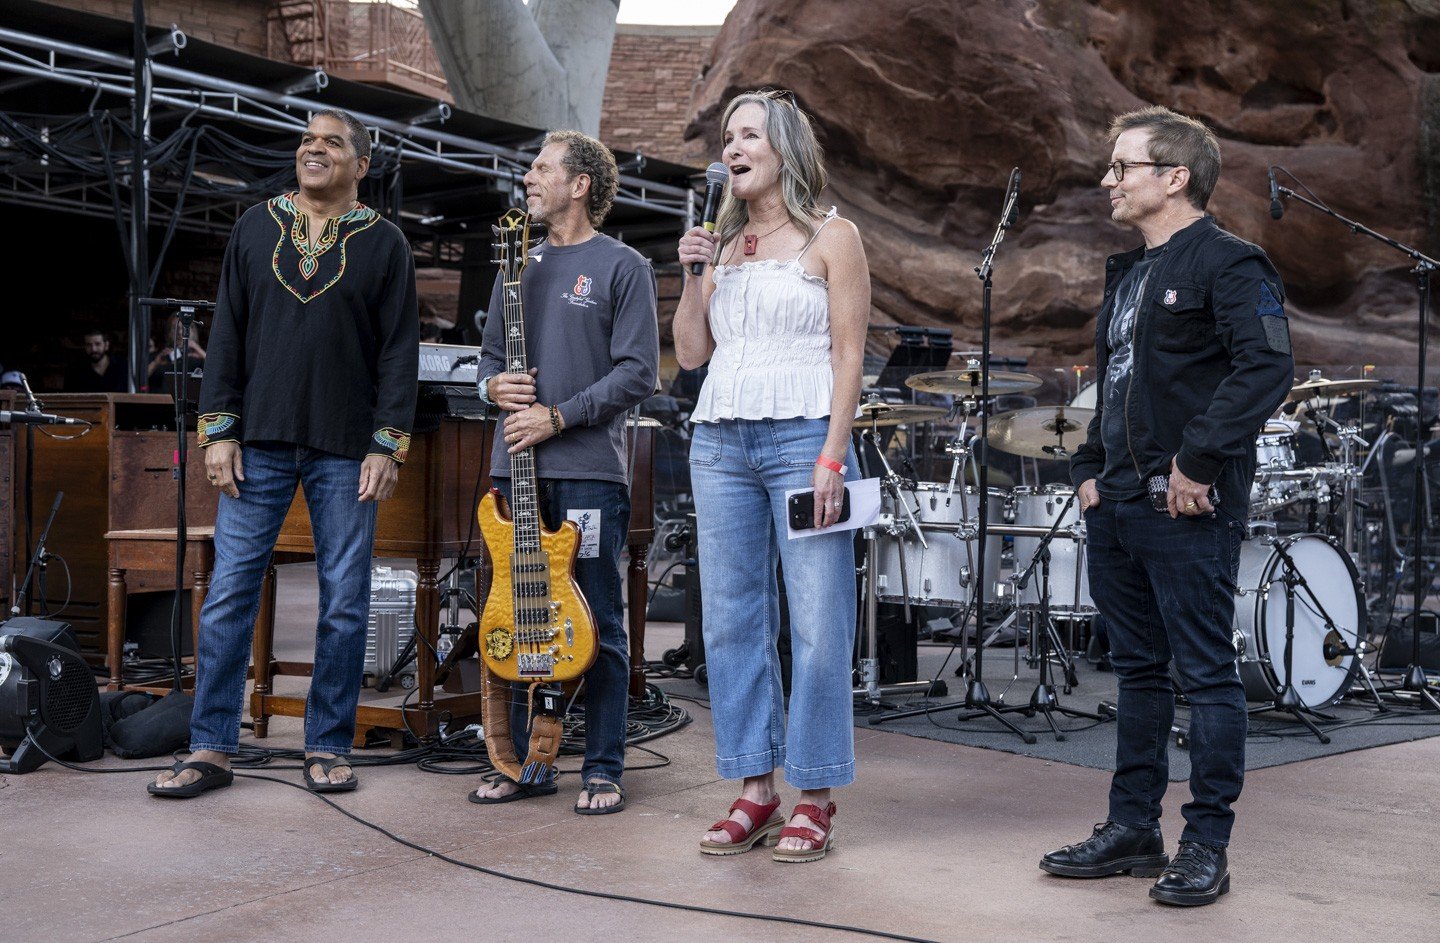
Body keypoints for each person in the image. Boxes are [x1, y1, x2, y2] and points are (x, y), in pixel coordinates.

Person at [1039, 105, 1293, 905]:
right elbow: (1114, 382)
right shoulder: (1129, 273)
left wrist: (1197, 461)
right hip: (1116, 504)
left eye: (1123, 167)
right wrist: (1088, 467)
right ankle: (1133, 828)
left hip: (1186, 506)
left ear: (1175, 176)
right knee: (1138, 672)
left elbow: (1266, 369)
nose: (1108, 180)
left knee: (1208, 674)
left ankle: (1205, 843)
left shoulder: (1230, 262)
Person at [149, 108, 418, 798]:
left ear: (362, 165)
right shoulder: (254, 226)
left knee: (345, 601)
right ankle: (211, 745)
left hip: (346, 448)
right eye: (306, 140)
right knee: (229, 594)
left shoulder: (385, 243)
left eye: (331, 142)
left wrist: (387, 444)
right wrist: (217, 431)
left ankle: (327, 744)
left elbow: (399, 352)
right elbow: (228, 335)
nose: (313, 149)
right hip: (257, 444)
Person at [673, 89, 869, 863]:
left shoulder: (832, 236)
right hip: (720, 439)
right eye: (728, 137)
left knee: (818, 620)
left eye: (750, 134)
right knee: (730, 619)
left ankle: (814, 794)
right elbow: (692, 353)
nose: (733, 148)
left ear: (784, 149)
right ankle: (756, 789)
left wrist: (832, 455)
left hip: (803, 438)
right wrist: (692, 274)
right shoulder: (719, 246)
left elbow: (849, 355)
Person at [469, 130, 659, 814]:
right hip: (514, 469)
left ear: (580, 185)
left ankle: (603, 766)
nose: (529, 178)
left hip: (588, 474)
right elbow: (489, 360)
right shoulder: (515, 264)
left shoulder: (623, 266)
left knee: (597, 618)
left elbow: (639, 372)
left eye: (542, 167)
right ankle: (525, 762)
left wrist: (557, 417)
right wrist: (492, 388)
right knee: (519, 614)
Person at [65, 328, 129, 393]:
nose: (93, 349)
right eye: (89, 345)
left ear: (106, 345)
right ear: (85, 347)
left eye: (98, 344)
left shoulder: (123, 367)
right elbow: (68, 396)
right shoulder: (75, 371)